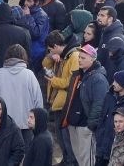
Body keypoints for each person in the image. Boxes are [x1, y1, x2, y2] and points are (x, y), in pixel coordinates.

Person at [0, 43, 43, 146]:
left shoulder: (0, 74)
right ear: (24, 57)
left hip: (4, 123)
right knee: (28, 156)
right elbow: (38, 100)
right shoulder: (29, 75)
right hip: (27, 123)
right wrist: (37, 121)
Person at [44, 30, 82, 164]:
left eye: (50, 50)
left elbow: (69, 83)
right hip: (58, 102)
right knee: (61, 138)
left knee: (67, 139)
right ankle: (66, 160)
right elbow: (45, 65)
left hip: (66, 104)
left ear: (55, 46)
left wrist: (53, 80)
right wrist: (50, 57)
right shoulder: (62, 55)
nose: (50, 52)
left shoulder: (73, 56)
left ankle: (70, 161)